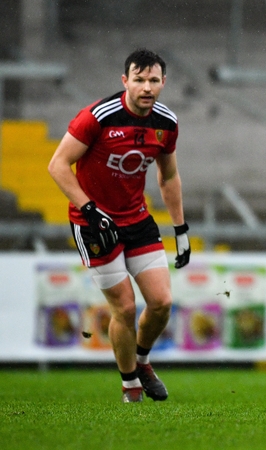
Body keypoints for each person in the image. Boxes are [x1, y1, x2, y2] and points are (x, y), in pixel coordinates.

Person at [48, 48, 191, 403]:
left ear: (163, 83)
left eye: (153, 80)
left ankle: (142, 361)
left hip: (137, 219)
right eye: (139, 79)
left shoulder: (166, 123)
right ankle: (130, 388)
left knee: (161, 303)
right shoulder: (98, 116)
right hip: (93, 223)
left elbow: (168, 175)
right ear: (124, 81)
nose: (146, 87)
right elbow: (58, 165)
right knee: (125, 308)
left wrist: (181, 229)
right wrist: (90, 209)